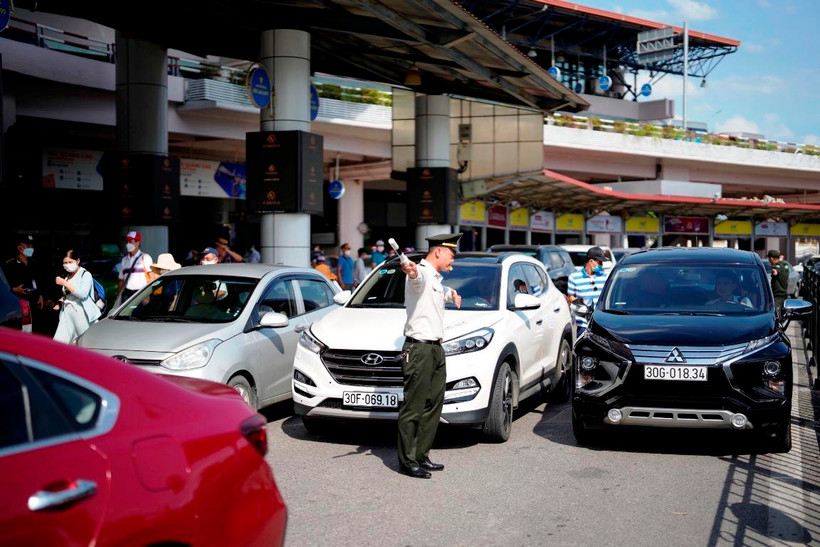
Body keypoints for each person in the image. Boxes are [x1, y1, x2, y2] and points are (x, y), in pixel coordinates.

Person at [397, 233, 462, 479]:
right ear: (438, 252)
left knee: (434, 404)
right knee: (414, 406)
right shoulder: (421, 273)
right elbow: (416, 278)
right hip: (419, 349)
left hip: (435, 348)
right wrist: (411, 270)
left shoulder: (435, 279)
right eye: (451, 253)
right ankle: (407, 460)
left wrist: (451, 293)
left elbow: (437, 291)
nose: (453, 258)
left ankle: (422, 455)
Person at [53, 249, 101, 344]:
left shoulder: (85, 275)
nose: (67, 265)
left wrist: (65, 283)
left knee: (84, 342)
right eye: (65, 263)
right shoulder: (66, 276)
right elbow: (68, 295)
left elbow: (82, 294)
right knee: (58, 343)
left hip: (80, 312)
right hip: (66, 312)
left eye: (70, 262)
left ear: (78, 261)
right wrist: (60, 301)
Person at [2, 235, 45, 333]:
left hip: (33, 302)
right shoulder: (9, 264)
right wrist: (13, 289)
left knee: (35, 331)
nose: (31, 248)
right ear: (19, 247)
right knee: (17, 331)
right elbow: (4, 283)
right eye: (28, 245)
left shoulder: (34, 264)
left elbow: (38, 282)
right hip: (16, 303)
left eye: (32, 246)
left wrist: (40, 295)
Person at [567, 246, 609, 336]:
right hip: (583, 324)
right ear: (591, 261)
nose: (601, 265)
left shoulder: (605, 277)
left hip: (601, 323)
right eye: (600, 262)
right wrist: (579, 302)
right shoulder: (574, 277)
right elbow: (570, 296)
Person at [118, 231, 155, 303]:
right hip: (127, 295)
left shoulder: (145, 257)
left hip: (141, 294)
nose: (127, 244)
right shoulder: (124, 260)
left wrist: (147, 295)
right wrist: (119, 297)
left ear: (137, 243)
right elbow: (121, 281)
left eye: (130, 241)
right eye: (127, 241)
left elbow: (152, 279)